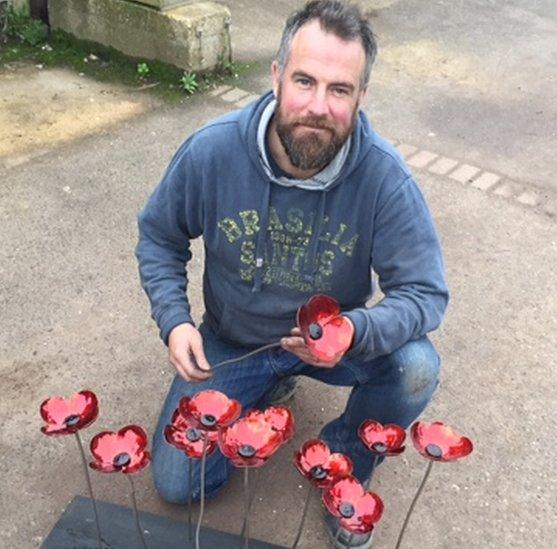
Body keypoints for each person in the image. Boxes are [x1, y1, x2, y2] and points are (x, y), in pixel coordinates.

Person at [135, 1, 448, 545]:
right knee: (178, 481)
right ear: (277, 76)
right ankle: (265, 386)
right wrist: (176, 321)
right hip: (238, 342)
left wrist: (355, 330)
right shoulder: (212, 151)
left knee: (416, 365)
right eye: (304, 81)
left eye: (340, 89)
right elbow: (160, 235)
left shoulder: (384, 178)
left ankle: (345, 457)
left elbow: (424, 293)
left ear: (361, 97)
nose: (318, 106)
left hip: (337, 343)